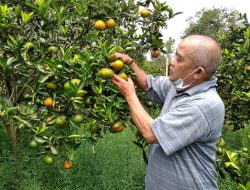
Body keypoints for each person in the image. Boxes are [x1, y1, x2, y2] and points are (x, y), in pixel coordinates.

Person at [111, 35, 225, 190]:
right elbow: (147, 84)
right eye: (174, 55)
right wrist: (129, 62)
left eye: (179, 59)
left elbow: (151, 134)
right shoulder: (180, 86)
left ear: (198, 72)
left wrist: (130, 95)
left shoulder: (204, 105)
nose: (172, 61)